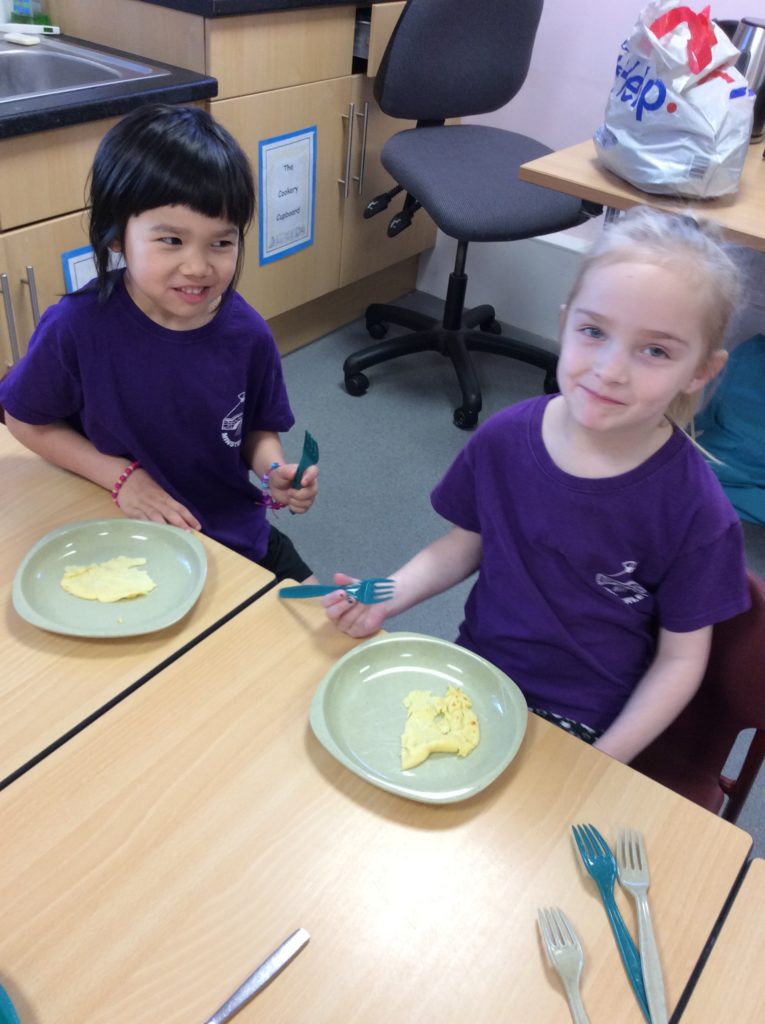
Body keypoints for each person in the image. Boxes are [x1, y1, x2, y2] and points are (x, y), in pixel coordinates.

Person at [322, 206, 752, 763]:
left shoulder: (698, 514)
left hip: (582, 720)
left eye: (655, 350)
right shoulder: (504, 438)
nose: (611, 369)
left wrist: (606, 760)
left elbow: (680, 662)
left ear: (699, 371)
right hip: (475, 670)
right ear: (565, 321)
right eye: (594, 331)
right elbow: (464, 544)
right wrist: (388, 594)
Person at [0, 103, 318, 581]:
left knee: (321, 623)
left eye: (221, 242)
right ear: (115, 236)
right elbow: (24, 420)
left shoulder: (247, 334)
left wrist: (275, 472)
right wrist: (123, 478)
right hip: (127, 535)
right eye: (171, 240)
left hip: (232, 536)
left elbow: (253, 430)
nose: (198, 266)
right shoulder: (76, 328)